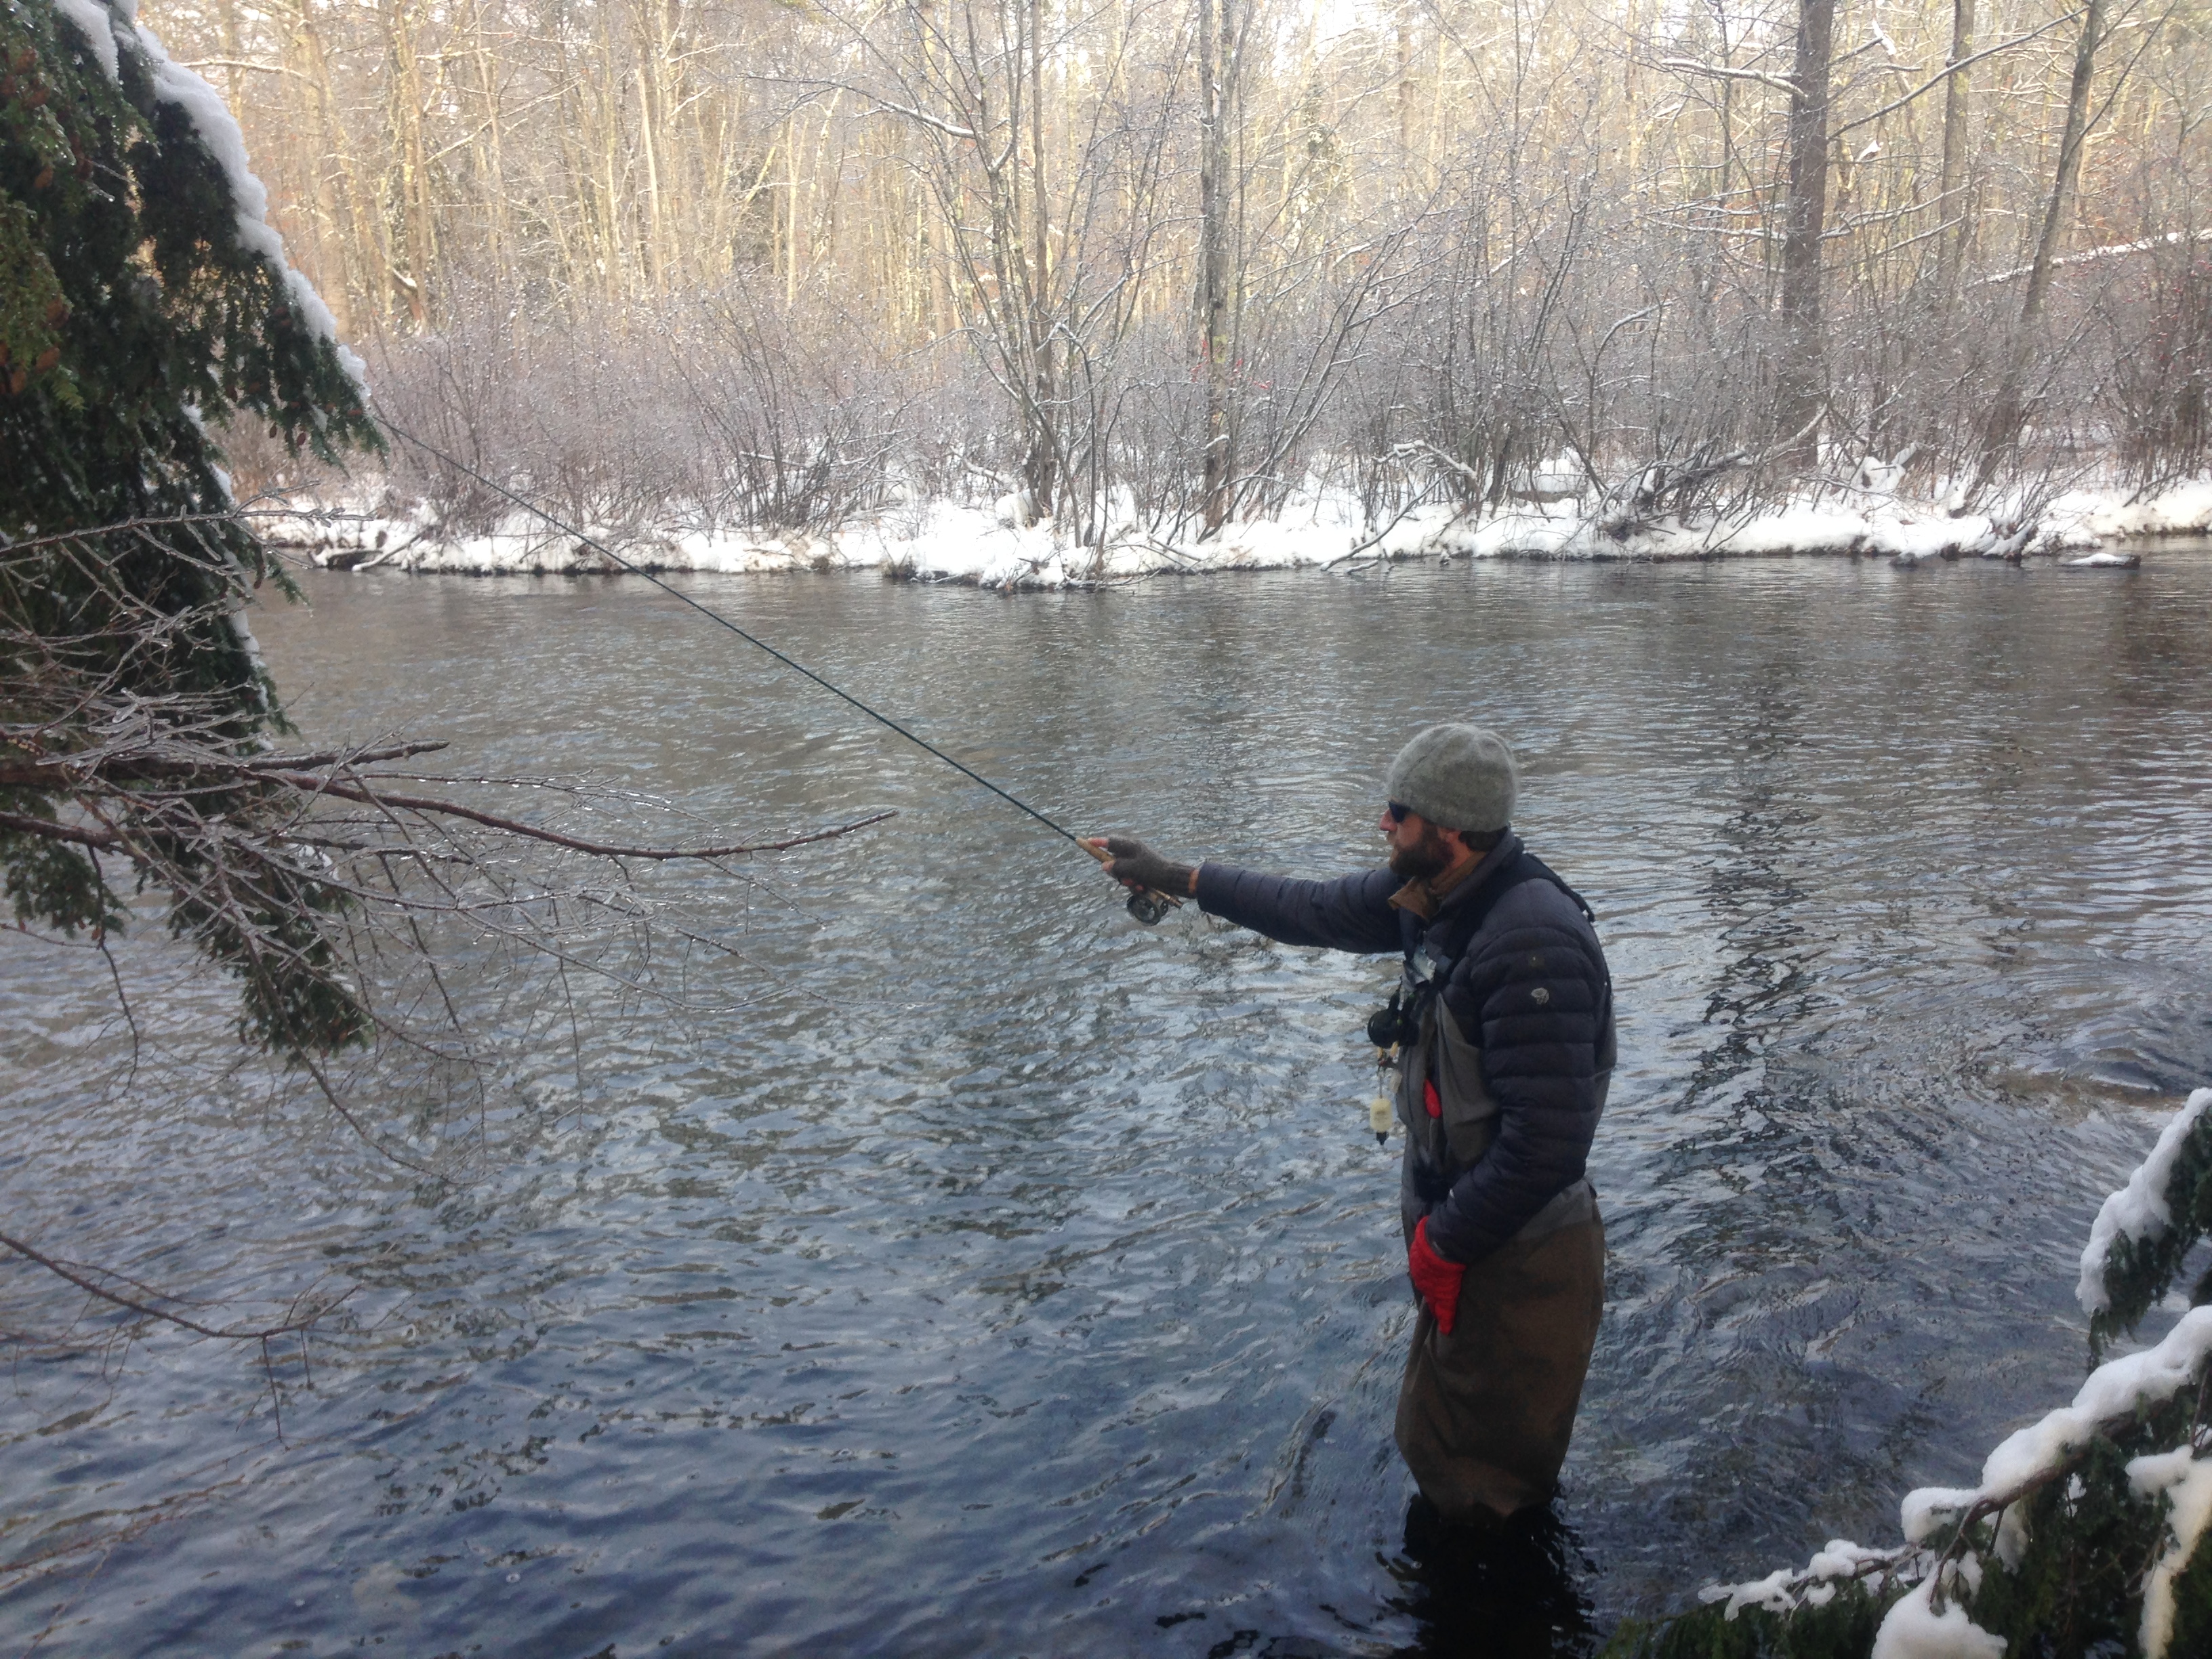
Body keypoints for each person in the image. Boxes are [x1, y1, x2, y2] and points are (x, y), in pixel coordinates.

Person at [1089, 724, 1614, 1527]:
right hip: (1470, 1232)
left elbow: (1547, 1148)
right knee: (1445, 1453)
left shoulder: (1531, 940)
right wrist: (1176, 876)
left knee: (1489, 1500)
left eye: (1398, 812)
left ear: (1451, 830)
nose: (1382, 823)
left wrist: (1444, 1243)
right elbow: (1310, 908)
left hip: (1520, 1254)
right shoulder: (1435, 896)